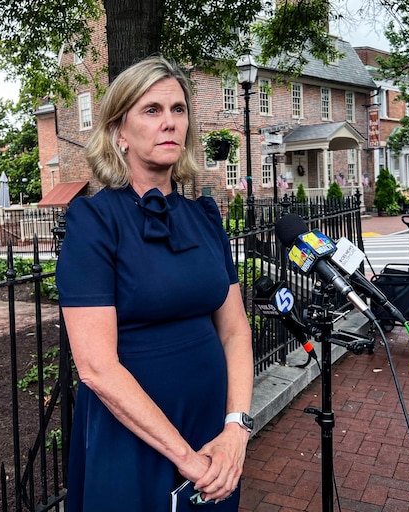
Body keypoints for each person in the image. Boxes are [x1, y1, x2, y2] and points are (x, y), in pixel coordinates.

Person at [56, 55, 254, 511]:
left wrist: (235, 430)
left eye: (178, 109)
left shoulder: (204, 218)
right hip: (132, 436)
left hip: (214, 436)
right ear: (118, 132)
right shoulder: (95, 222)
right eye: (151, 110)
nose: (169, 122)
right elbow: (96, 368)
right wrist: (187, 459)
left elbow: (235, 329)